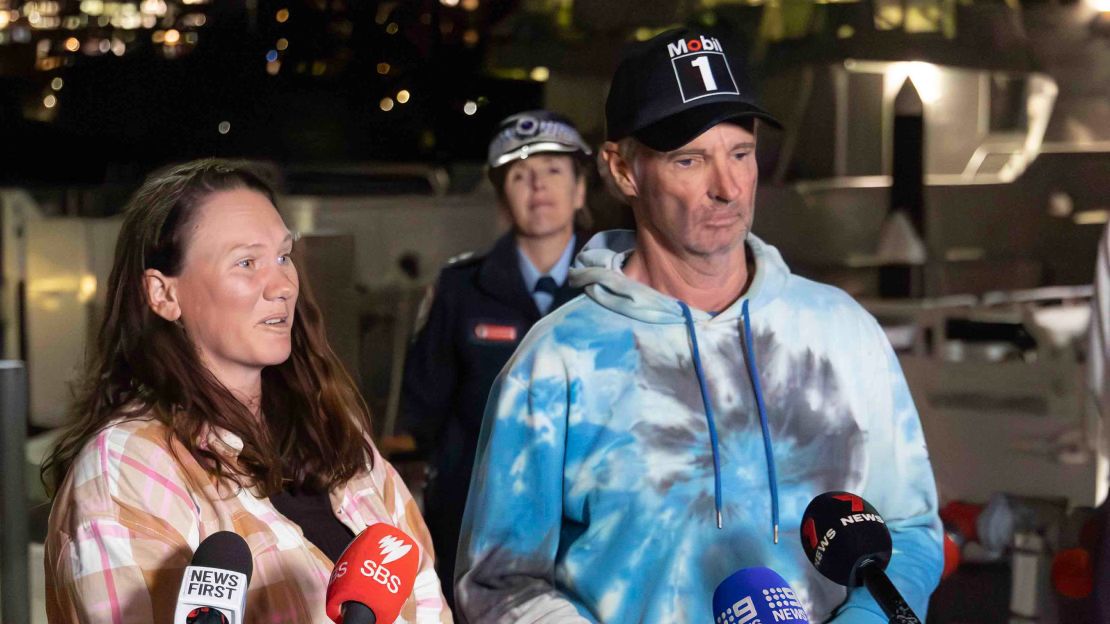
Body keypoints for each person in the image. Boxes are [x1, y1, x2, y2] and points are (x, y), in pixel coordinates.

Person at [455, 28, 942, 622]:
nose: (728, 187)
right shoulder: (556, 360)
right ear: (623, 170)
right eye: (690, 159)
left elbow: (911, 527)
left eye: (741, 153)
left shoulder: (842, 330)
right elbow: (501, 585)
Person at [42, 159, 451, 623]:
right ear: (164, 294)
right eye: (246, 262)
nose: (282, 285)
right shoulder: (128, 468)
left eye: (282, 256)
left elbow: (427, 595)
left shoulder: (337, 434)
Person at [393, 110, 592, 607]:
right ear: (503, 197)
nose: (538, 187)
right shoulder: (462, 289)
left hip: (589, 516)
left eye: (552, 171)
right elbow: (424, 409)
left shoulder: (619, 287)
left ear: (580, 190)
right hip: (477, 518)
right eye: (520, 176)